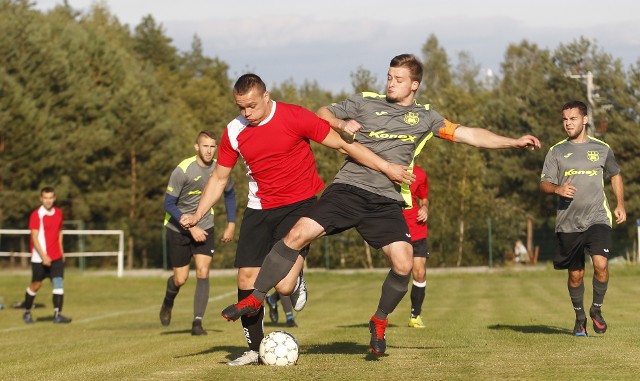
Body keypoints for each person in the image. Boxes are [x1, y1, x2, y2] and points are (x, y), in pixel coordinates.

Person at [219, 54, 541, 355]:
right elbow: (323, 113)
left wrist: (512, 141)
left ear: (414, 85)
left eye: (398, 79)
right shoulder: (365, 102)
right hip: (347, 188)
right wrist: (342, 124)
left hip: (386, 200)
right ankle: (255, 298)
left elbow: (469, 134)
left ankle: (380, 320)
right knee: (297, 233)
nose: (390, 83)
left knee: (404, 263)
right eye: (389, 77)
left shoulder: (426, 118)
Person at [180, 74, 412, 365]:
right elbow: (219, 177)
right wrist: (199, 214)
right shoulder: (234, 131)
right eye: (240, 107)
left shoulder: (295, 116)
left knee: (285, 288)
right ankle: (253, 349)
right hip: (259, 207)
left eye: (251, 106)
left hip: (300, 205)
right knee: (246, 278)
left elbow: (343, 146)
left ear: (266, 96)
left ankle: (297, 277)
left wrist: (385, 166)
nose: (246, 113)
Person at [540, 100, 625, 337]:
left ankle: (596, 310)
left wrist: (619, 204)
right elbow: (544, 183)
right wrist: (556, 189)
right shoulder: (556, 151)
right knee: (575, 275)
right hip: (568, 222)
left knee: (601, 264)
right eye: (565, 119)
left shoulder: (602, 148)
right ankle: (580, 319)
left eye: (573, 119)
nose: (568, 123)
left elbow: (615, 175)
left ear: (585, 119)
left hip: (597, 217)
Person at [159, 130, 237, 336]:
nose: (209, 150)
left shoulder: (220, 169)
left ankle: (197, 322)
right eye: (205, 146)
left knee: (203, 271)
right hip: (177, 227)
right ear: (197, 147)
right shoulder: (182, 170)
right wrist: (191, 227)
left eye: (213, 146)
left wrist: (231, 223)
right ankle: (168, 300)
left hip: (206, 225)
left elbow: (229, 194)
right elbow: (168, 203)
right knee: (181, 279)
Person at [22, 187, 71, 324]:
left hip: (56, 257)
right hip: (40, 258)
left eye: (50, 198)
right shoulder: (36, 215)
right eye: (45, 198)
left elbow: (59, 233)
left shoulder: (59, 213)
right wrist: (43, 256)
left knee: (58, 283)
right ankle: (27, 311)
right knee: (36, 285)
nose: (48, 201)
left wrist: (61, 252)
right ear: (41, 199)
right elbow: (35, 238)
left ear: (54, 198)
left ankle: (57, 314)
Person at [402, 164, 429, 329]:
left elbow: (423, 198)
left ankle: (415, 315)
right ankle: (382, 314)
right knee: (401, 270)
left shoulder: (420, 173)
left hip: (417, 228)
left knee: (419, 273)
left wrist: (425, 207)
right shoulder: (386, 168)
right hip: (395, 228)